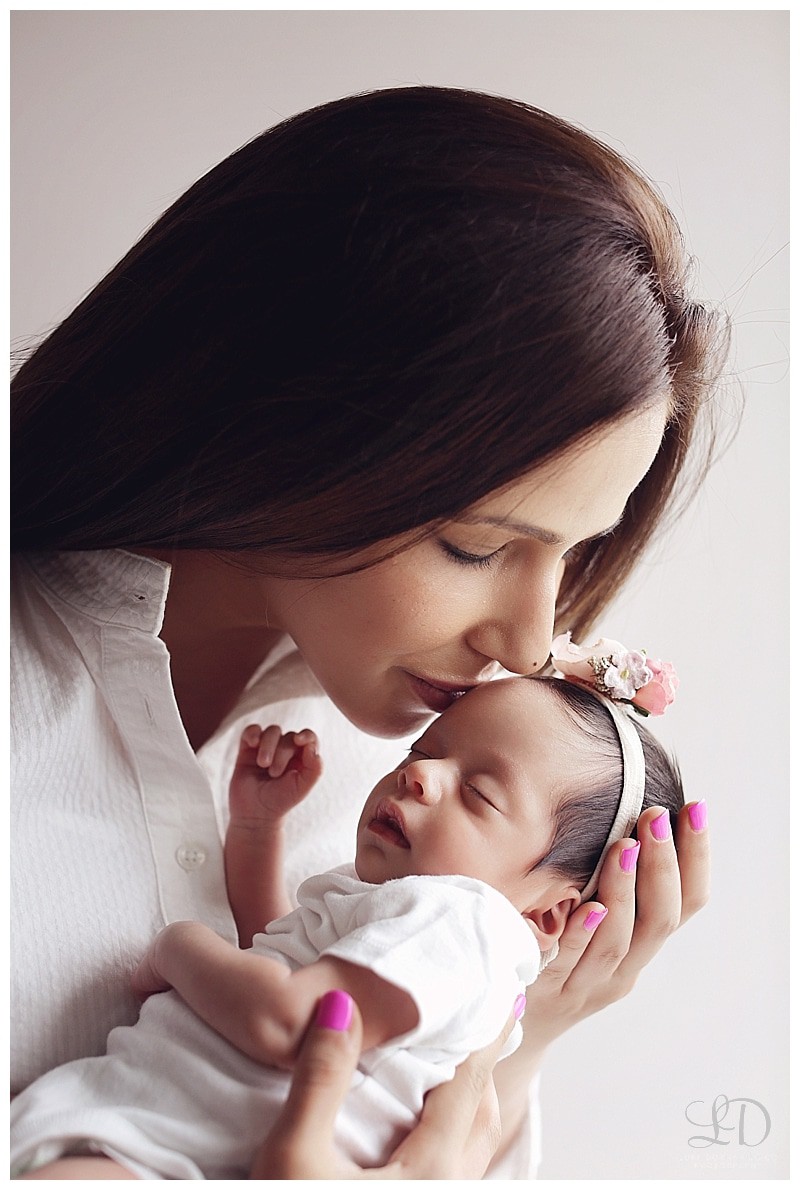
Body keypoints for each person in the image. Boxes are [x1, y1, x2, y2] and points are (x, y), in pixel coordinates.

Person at [11, 86, 721, 1178]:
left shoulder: (427, 793)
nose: (533, 642)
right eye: (479, 546)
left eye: (569, 553)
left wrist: (524, 1043)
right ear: (282, 420)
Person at [11, 639, 693, 1179]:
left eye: (479, 794)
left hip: (171, 1159)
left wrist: (180, 948)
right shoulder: (415, 919)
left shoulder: (466, 926)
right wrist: (257, 832)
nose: (420, 775)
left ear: (548, 916)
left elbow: (292, 1021)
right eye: (424, 752)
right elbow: (276, 951)